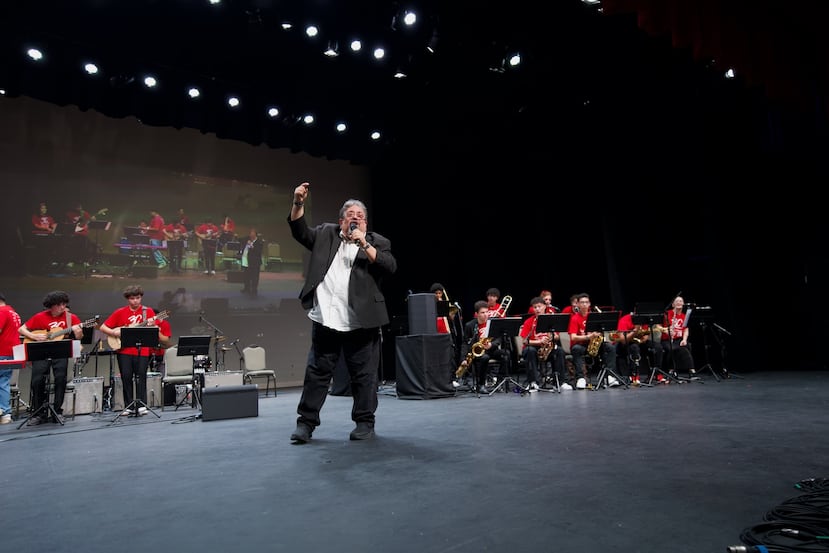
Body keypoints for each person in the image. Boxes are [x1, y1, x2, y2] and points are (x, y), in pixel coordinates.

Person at [287, 182, 397, 443]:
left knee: (364, 377)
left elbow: (389, 266)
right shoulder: (326, 234)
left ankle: (364, 423)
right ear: (341, 220)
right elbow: (300, 231)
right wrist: (298, 202)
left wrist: (363, 244)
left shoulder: (376, 242)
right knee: (317, 375)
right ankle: (306, 424)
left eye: (360, 216)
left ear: (366, 224)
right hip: (327, 319)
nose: (355, 218)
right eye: (350, 214)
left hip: (361, 323)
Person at [17, 290, 83, 425]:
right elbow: (21, 329)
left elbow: (79, 337)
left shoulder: (71, 318)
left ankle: (58, 411)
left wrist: (79, 331)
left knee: (60, 379)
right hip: (41, 352)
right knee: (37, 380)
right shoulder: (40, 316)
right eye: (59, 305)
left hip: (60, 352)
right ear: (51, 305)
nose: (62, 307)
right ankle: (38, 413)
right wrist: (34, 336)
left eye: (64, 304)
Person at [99, 285, 158, 416]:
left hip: (142, 350)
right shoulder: (120, 312)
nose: (136, 301)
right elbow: (103, 327)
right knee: (126, 377)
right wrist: (115, 332)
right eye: (132, 298)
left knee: (141, 376)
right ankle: (129, 405)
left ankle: (142, 404)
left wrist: (151, 325)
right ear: (128, 299)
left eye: (138, 298)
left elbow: (154, 329)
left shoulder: (148, 312)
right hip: (124, 350)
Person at [456, 300, 509, 393]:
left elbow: (499, 338)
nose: (486, 315)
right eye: (482, 312)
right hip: (478, 352)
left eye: (487, 312)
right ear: (476, 314)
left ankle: (499, 382)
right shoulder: (470, 325)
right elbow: (465, 343)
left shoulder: (492, 322)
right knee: (485, 357)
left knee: (506, 354)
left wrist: (491, 344)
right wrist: (463, 358)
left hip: (491, 349)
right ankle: (481, 385)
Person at [568, 292, 618, 389]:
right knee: (576, 349)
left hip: (595, 344)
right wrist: (589, 336)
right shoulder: (574, 318)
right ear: (577, 304)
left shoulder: (595, 316)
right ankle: (580, 378)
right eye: (582, 302)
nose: (584, 304)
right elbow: (573, 337)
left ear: (590, 304)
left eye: (586, 302)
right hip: (582, 345)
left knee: (610, 347)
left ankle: (610, 375)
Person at [616, 311, 664, 385]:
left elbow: (645, 335)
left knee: (658, 347)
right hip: (627, 343)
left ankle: (656, 374)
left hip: (640, 341)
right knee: (634, 348)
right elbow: (623, 340)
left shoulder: (643, 319)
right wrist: (635, 331)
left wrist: (643, 338)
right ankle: (634, 376)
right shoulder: (625, 319)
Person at [0, 293, 23, 424]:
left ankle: (4, 411)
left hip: (2, 351)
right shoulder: (12, 312)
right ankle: (5, 413)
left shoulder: (2, 312)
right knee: (3, 382)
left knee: (2, 382)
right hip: (10, 351)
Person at [661, 296, 696, 379]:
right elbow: (658, 327)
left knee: (686, 345)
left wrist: (684, 339)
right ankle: (672, 369)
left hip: (679, 339)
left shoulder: (684, 316)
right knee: (673, 348)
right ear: (673, 304)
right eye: (677, 301)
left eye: (681, 301)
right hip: (667, 339)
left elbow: (686, 329)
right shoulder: (667, 314)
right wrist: (666, 330)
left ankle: (689, 370)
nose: (679, 303)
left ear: (683, 304)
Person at [240, 227, 264, 296]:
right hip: (246, 261)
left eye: (252, 233)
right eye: (250, 233)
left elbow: (258, 252)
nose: (251, 235)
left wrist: (251, 245)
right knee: (246, 276)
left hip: (255, 263)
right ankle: (246, 288)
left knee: (254, 277)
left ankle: (254, 291)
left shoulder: (259, 242)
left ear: (255, 235)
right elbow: (240, 240)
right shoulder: (247, 239)